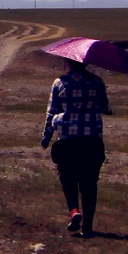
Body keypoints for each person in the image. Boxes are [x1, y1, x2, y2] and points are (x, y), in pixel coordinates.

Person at [40, 60, 110, 237]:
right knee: (89, 183)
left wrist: (46, 137)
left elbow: (51, 112)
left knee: (68, 178)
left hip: (67, 139)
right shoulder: (97, 82)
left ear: (67, 61)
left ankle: (73, 210)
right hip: (92, 140)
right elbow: (105, 108)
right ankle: (88, 226)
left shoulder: (60, 83)